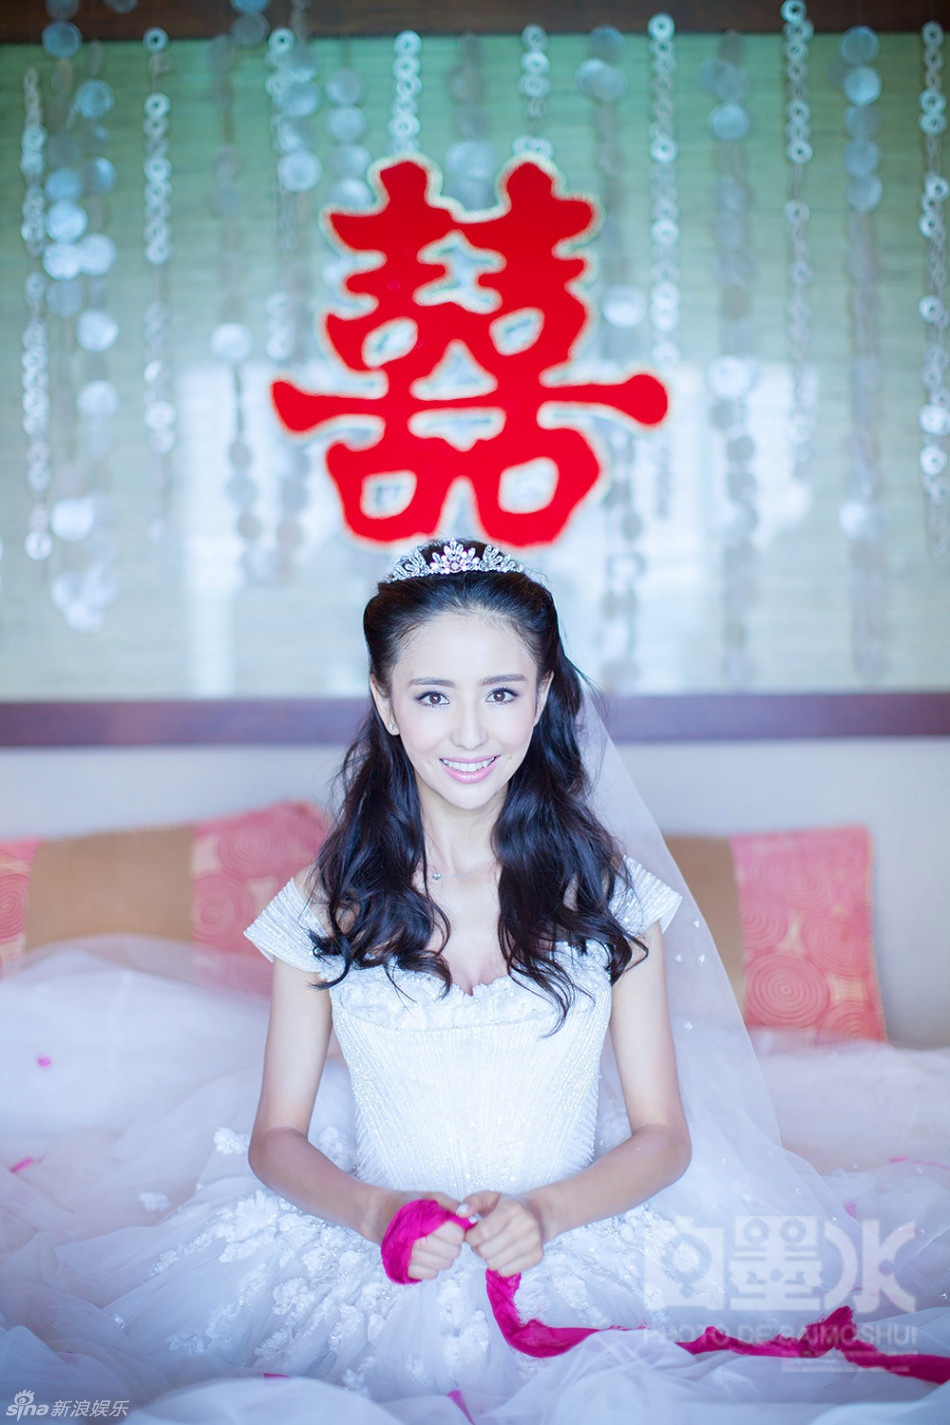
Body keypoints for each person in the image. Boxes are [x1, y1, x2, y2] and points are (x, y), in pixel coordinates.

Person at [1, 538, 948, 1424]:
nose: (468, 731)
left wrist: (546, 1214)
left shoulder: (612, 897)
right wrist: (376, 1211)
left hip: (574, 1231)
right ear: (385, 701)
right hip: (375, 1236)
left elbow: (662, 1135)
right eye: (431, 695)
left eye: (500, 692)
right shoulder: (327, 905)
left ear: (542, 698)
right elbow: (276, 1138)